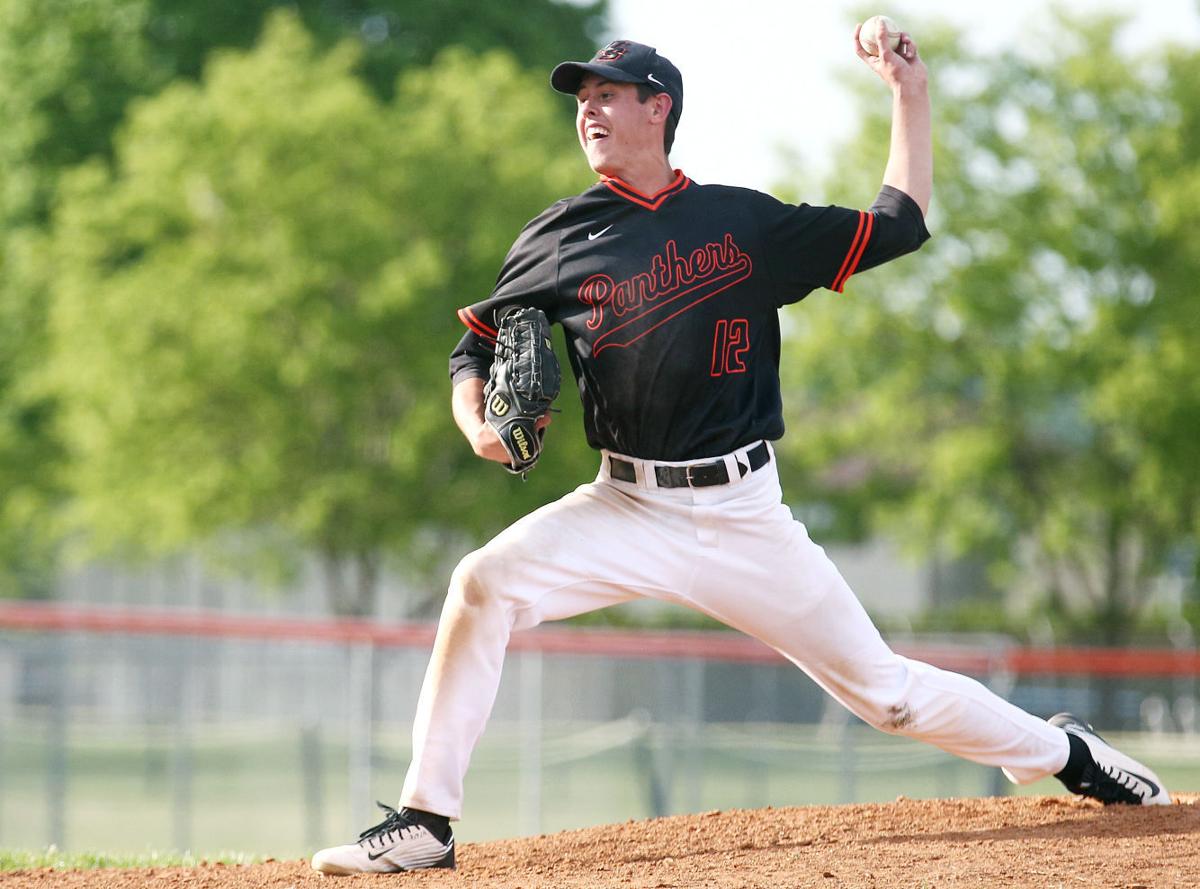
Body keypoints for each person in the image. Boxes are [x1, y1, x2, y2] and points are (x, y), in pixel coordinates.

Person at [311, 22, 1171, 876]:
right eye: (581, 100)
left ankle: (1067, 756)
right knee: (480, 583)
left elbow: (897, 224)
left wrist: (910, 96)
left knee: (889, 695)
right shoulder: (557, 237)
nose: (589, 112)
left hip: (742, 510)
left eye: (608, 94)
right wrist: (478, 423)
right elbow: (476, 346)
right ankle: (427, 820)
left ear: (660, 107)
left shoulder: (742, 223)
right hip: (624, 504)